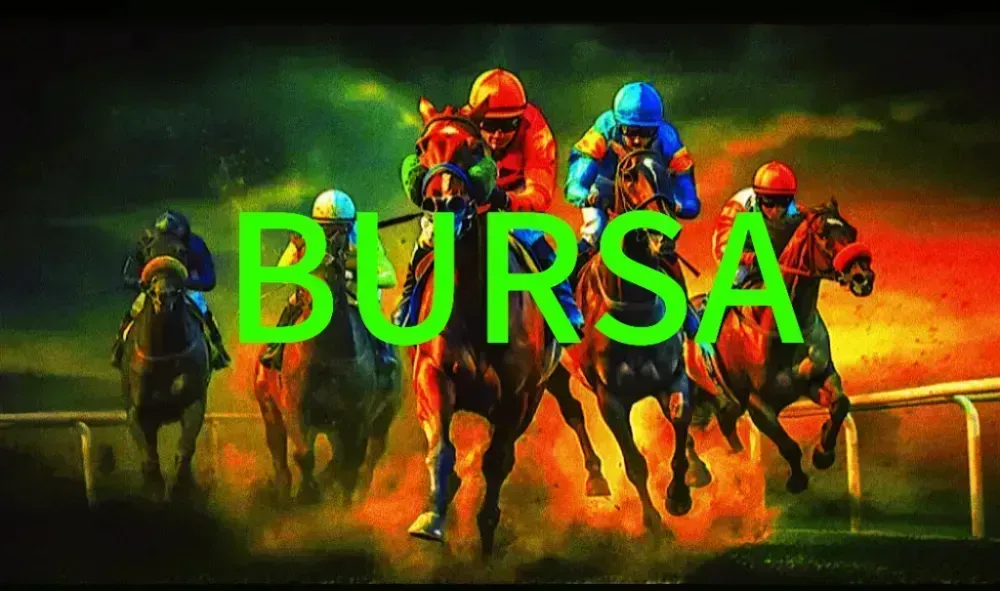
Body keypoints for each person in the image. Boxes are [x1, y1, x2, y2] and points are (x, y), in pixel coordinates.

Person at [391, 68, 585, 338]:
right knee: (427, 238)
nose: (497, 135)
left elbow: (539, 193)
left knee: (534, 241)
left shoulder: (537, 134)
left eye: (508, 125)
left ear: (520, 119)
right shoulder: (461, 125)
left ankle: (564, 308)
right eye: (490, 126)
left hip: (513, 207)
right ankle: (407, 303)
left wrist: (505, 199)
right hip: (467, 206)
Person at [563, 81, 704, 344]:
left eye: (645, 133)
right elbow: (574, 184)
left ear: (656, 129)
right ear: (619, 126)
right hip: (606, 192)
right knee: (595, 233)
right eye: (630, 132)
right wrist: (586, 195)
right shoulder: (603, 130)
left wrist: (675, 204)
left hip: (646, 197)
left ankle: (685, 313)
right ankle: (563, 305)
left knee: (663, 245)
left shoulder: (669, 140)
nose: (637, 140)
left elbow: (690, 200)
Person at [258, 189, 400, 379]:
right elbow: (282, 271)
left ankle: (383, 354)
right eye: (327, 229)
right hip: (319, 289)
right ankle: (275, 349)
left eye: (339, 230)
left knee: (371, 312)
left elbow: (389, 277)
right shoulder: (305, 239)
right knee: (293, 302)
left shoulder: (365, 238)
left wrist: (351, 275)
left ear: (350, 227)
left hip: (355, 294)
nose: (333, 236)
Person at [110, 210, 231, 370]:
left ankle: (216, 348)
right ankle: (120, 344)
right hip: (155, 287)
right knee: (135, 309)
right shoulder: (147, 245)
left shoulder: (195, 245)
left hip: (186, 286)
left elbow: (209, 278)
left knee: (201, 309)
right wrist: (139, 283)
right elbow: (130, 271)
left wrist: (187, 282)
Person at [711, 160, 800, 288]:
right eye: (769, 201)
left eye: (782, 202)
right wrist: (750, 258)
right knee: (738, 274)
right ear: (758, 198)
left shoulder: (793, 210)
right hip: (739, 249)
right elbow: (723, 249)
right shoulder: (738, 207)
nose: (776, 210)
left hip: (766, 248)